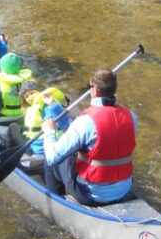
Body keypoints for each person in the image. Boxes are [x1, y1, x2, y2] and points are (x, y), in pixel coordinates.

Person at [42, 68, 136, 205]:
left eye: (89, 86)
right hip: (124, 189)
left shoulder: (86, 121)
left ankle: (56, 203)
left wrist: (49, 132)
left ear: (95, 90)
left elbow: (52, 157)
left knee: (50, 156)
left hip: (91, 194)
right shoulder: (132, 117)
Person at [0, 53, 32, 119]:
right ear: (18, 66)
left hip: (5, 117)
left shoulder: (0, 87)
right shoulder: (27, 82)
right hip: (23, 115)